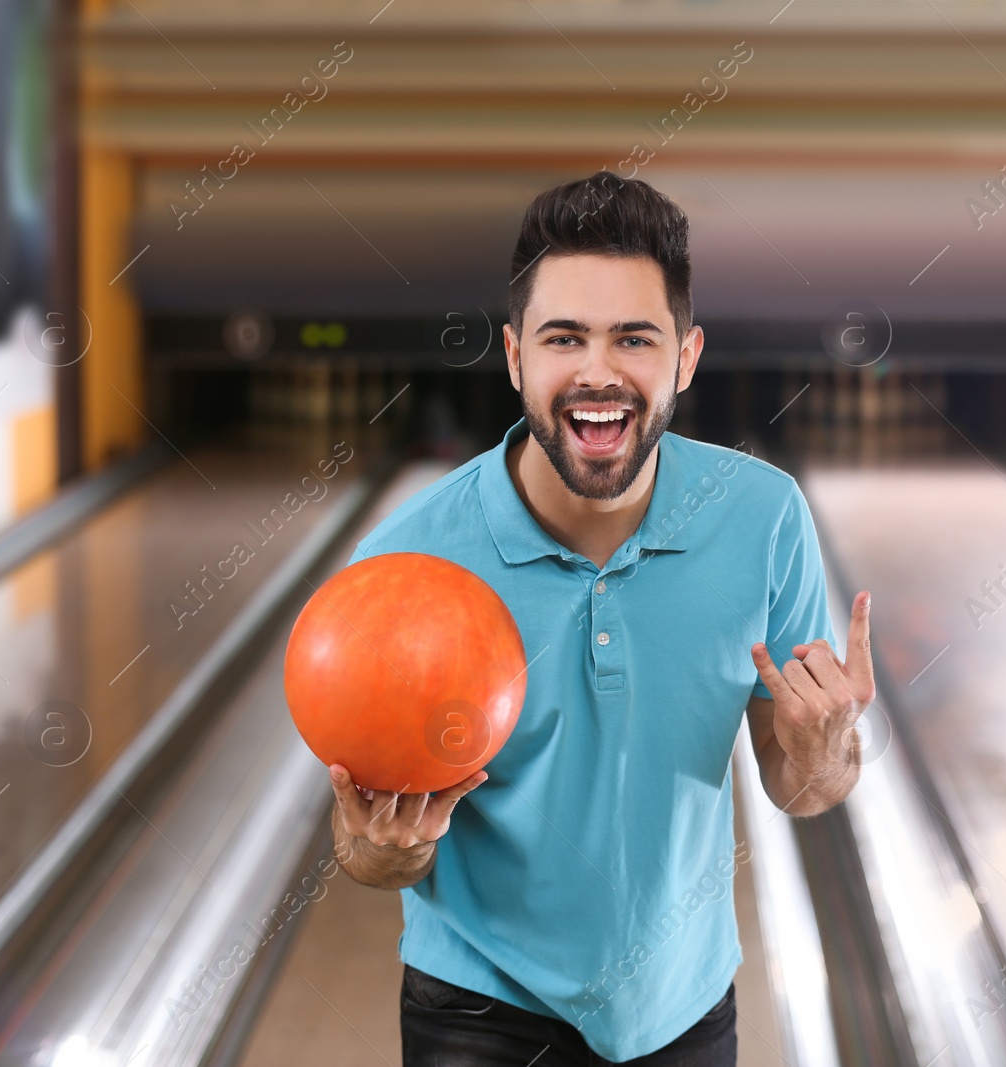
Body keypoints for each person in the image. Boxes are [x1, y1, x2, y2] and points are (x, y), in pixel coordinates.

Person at [327, 171, 875, 1065]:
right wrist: (387, 847)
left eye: (634, 338)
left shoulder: (763, 519)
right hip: (476, 1015)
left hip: (684, 1009)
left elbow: (797, 781)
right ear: (514, 357)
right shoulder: (405, 565)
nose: (598, 371)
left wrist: (826, 754)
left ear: (686, 357)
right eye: (563, 337)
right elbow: (362, 850)